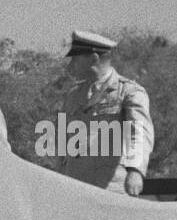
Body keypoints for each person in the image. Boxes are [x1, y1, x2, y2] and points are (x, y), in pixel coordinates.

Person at [58, 31, 154, 195]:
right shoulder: (73, 96)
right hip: (74, 189)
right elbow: (62, 144)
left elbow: (139, 133)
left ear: (94, 59)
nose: (70, 65)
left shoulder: (129, 92)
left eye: (75, 59)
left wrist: (136, 171)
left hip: (110, 189)